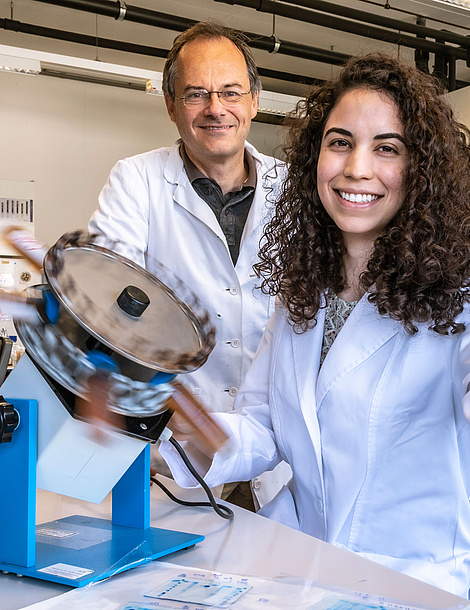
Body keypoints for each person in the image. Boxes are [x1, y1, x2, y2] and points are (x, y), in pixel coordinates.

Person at [160, 53, 470, 606]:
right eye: (340, 142)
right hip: (306, 568)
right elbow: (266, 424)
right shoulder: (302, 291)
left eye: (387, 148)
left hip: (415, 582)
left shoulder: (463, 294)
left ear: (420, 171)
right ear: (314, 159)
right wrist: (194, 430)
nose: (356, 168)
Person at [88, 21, 290, 510]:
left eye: (230, 92)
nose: (216, 109)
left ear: (255, 101)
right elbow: (104, 293)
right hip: (178, 450)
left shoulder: (296, 191)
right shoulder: (138, 181)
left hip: (280, 450)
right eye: (197, 94)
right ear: (171, 105)